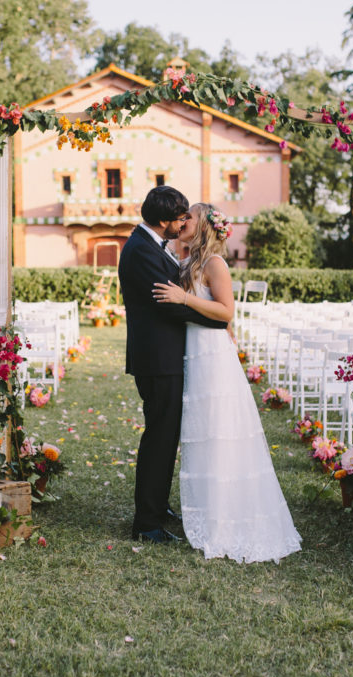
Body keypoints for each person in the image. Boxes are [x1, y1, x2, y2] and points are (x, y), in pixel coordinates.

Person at [152, 203, 301, 563]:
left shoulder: (215, 263)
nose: (182, 221)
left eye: (189, 217)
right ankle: (206, 510)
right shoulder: (187, 262)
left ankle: (227, 517)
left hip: (213, 357)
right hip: (194, 353)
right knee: (202, 431)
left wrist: (183, 297)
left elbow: (226, 311)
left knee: (219, 430)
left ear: (203, 225)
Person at [118, 186, 228, 544]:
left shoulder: (151, 245)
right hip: (157, 359)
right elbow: (168, 304)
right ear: (163, 221)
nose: (183, 223)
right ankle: (147, 523)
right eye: (179, 218)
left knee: (166, 436)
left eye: (188, 217)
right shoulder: (140, 250)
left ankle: (158, 504)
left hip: (164, 356)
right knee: (159, 438)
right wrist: (217, 321)